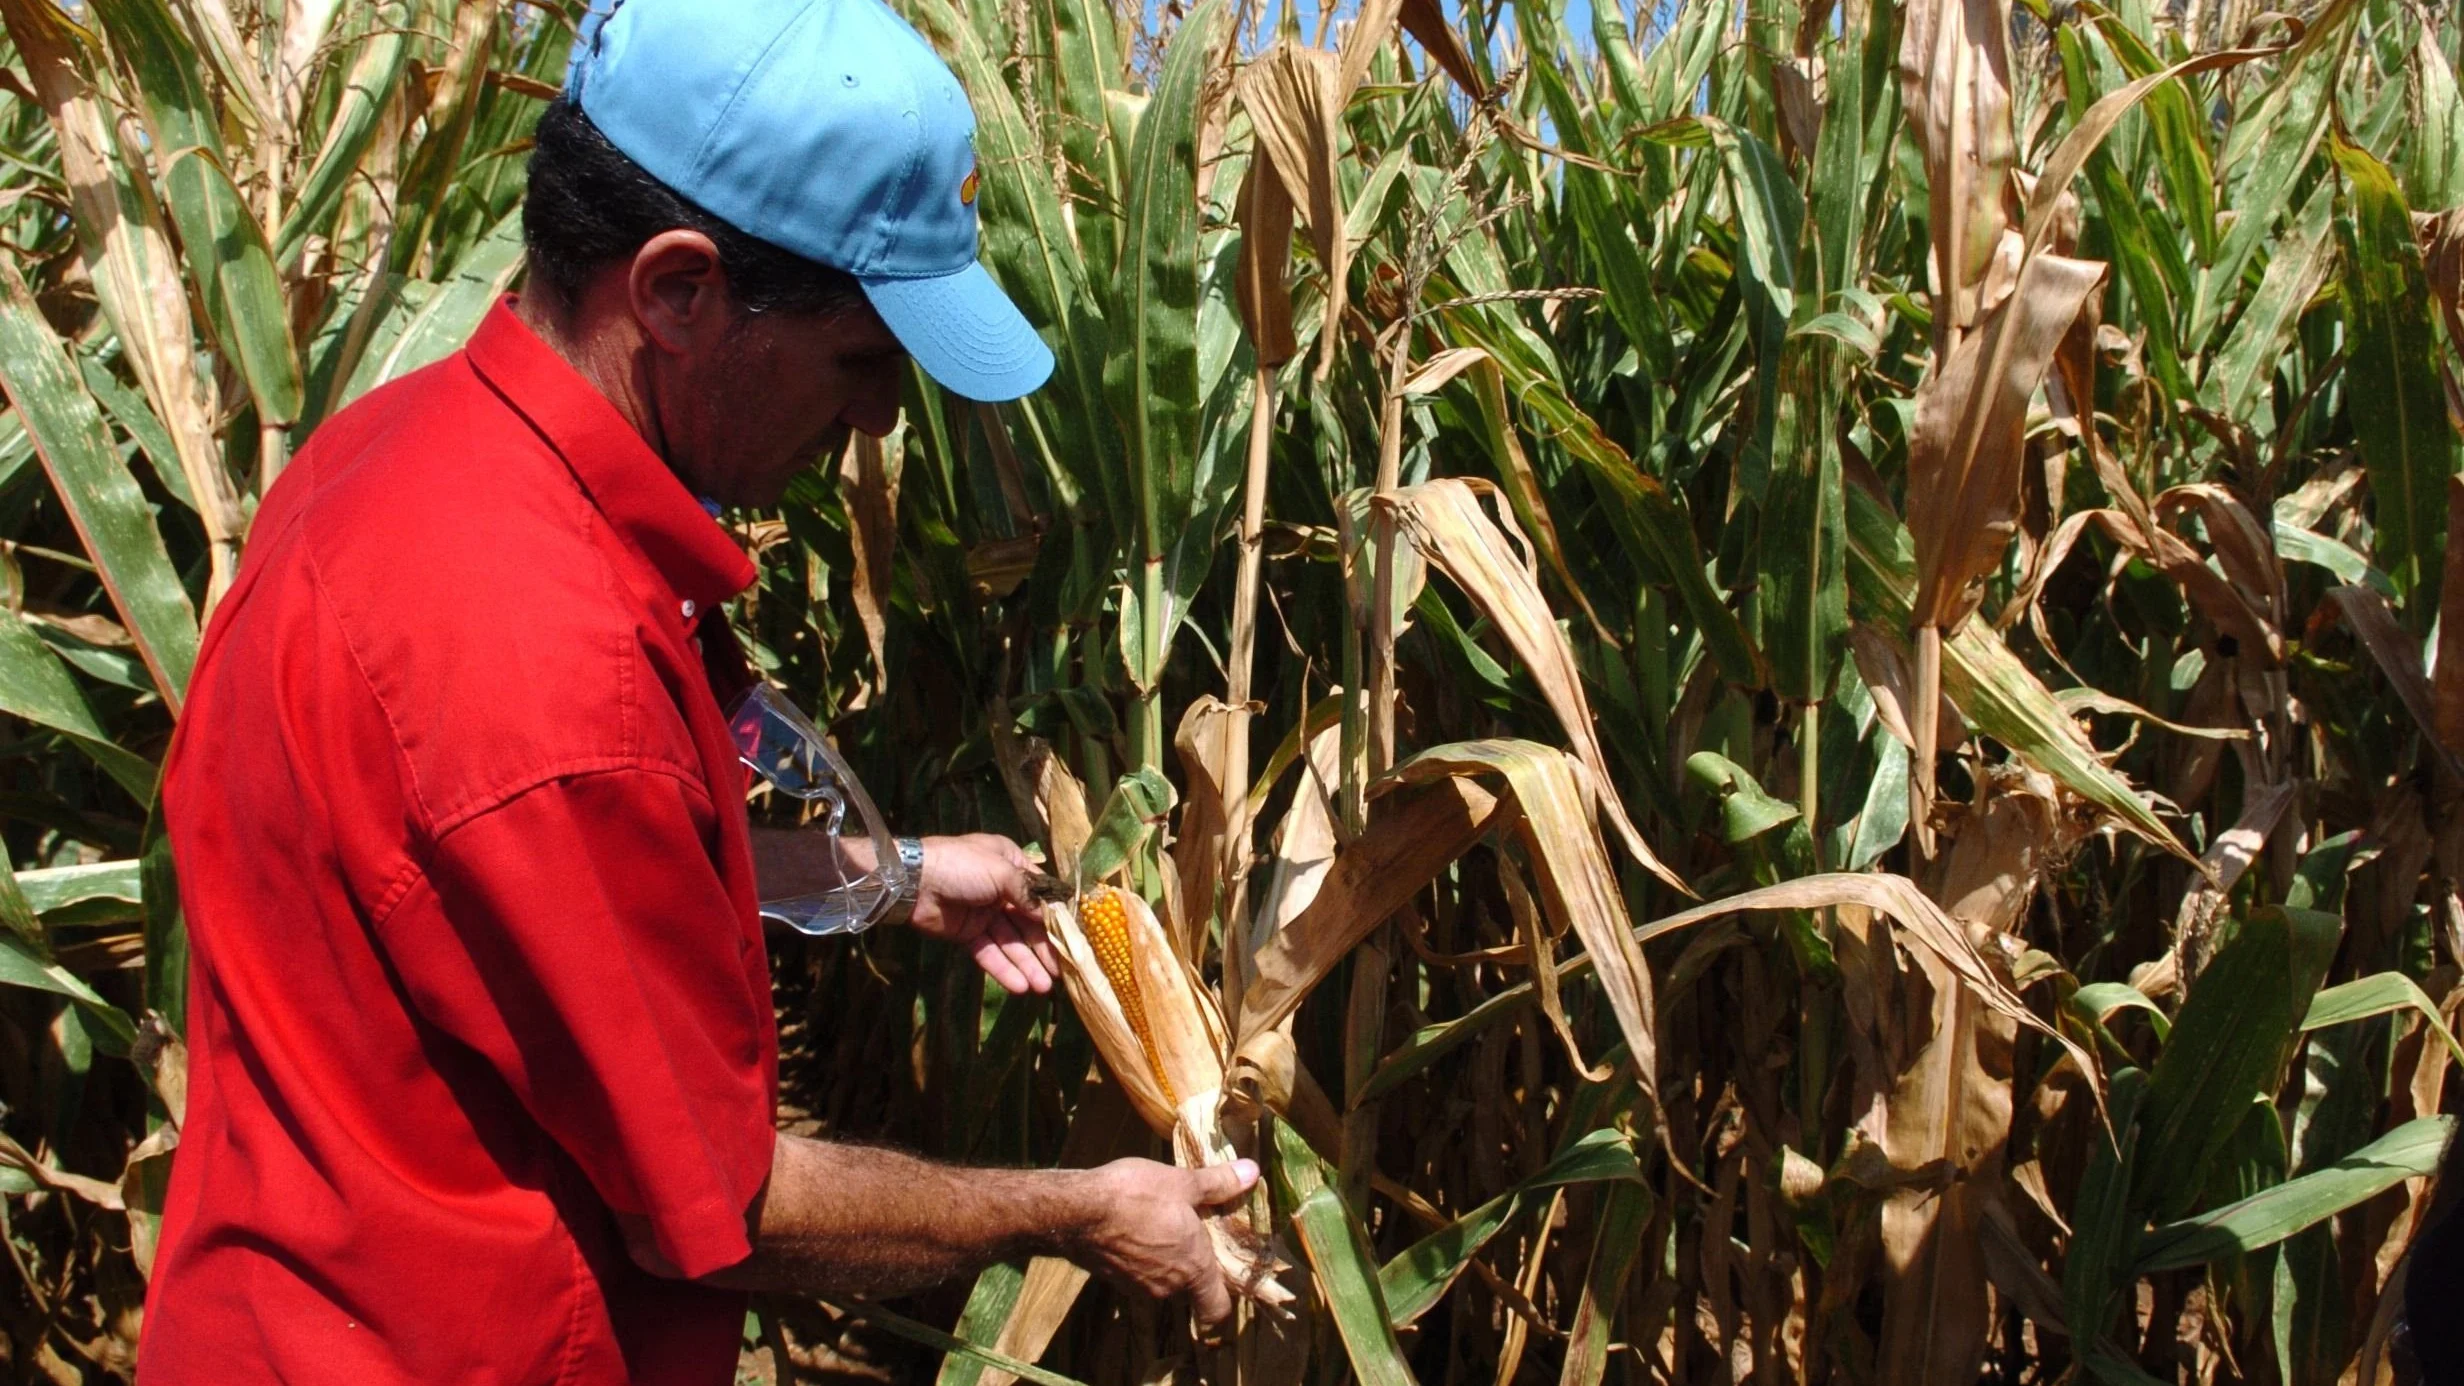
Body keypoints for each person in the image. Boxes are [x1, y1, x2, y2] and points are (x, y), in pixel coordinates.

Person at [134, 1, 1255, 1381]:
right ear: (676, 291)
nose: (880, 422)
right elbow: (718, 1212)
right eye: (862, 359)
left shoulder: (393, 459)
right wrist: (1078, 1207)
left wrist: (890, 872)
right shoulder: (554, 674)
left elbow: (493, 885)